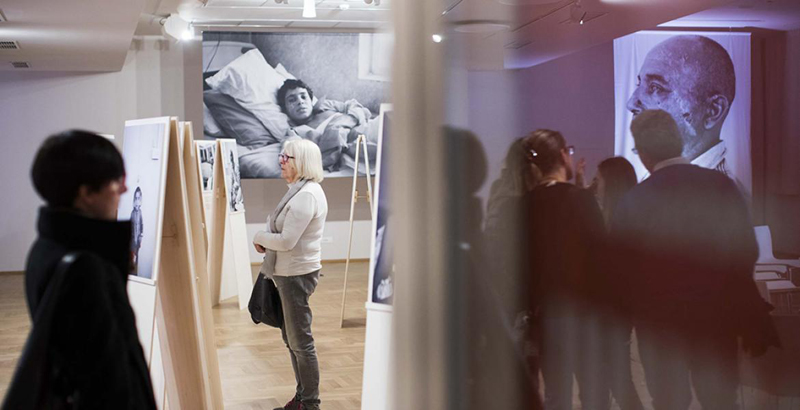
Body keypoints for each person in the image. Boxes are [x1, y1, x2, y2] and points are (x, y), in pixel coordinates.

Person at [611, 110, 779, 410]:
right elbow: (744, 251)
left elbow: (622, 273)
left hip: (659, 328)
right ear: (678, 142)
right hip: (716, 320)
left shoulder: (633, 201)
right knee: (721, 402)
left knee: (668, 402)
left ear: (644, 153)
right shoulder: (721, 186)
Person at [21, 130, 157, 408]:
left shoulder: (45, 246)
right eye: (115, 182)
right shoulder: (86, 268)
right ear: (85, 194)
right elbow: (106, 377)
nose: (123, 190)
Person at [524, 130, 609, 410]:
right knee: (594, 396)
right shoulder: (581, 200)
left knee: (556, 396)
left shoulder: (524, 204)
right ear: (563, 154)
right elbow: (601, 260)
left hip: (545, 318)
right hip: (584, 317)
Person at [253, 139, 329, 410]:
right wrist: (267, 237)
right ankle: (301, 398)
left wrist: (259, 236)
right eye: (282, 156)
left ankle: (309, 403)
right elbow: (280, 229)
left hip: (296, 275)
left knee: (300, 342)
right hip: (287, 273)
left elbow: (286, 241)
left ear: (303, 162)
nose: (281, 161)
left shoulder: (307, 195)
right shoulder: (297, 191)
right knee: (292, 340)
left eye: (287, 157)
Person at [626, 35, 735, 174]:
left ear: (712, 111)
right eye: (639, 84)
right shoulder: (661, 180)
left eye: (656, 87)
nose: (631, 103)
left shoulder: (714, 188)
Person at [590, 157, 644, 410]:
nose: (595, 186)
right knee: (615, 378)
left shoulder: (620, 223)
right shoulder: (628, 217)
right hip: (618, 311)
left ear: (610, 183)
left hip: (614, 312)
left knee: (617, 379)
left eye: (598, 180)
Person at [277, 79, 374, 172]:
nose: (300, 102)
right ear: (285, 108)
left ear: (311, 100)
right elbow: (288, 155)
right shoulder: (296, 132)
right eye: (292, 100)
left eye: (303, 97)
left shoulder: (326, 106)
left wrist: (345, 122)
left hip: (368, 127)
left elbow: (353, 106)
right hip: (356, 143)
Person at [130, 186, 144, 274]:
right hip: (132, 241)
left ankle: (135, 273)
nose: (137, 200)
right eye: (136, 198)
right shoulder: (132, 213)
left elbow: (141, 224)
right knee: (132, 258)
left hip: (138, 241)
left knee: (137, 258)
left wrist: (141, 235)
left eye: (139, 198)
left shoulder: (140, 213)